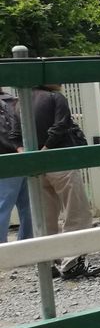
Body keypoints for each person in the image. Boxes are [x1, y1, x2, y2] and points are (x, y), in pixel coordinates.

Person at [33, 84, 100, 278]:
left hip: (34, 167)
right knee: (77, 212)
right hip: (60, 161)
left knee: (45, 216)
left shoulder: (19, 102)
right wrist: (45, 150)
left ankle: (47, 263)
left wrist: (30, 157)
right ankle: (72, 261)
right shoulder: (56, 98)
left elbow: (14, 134)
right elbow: (61, 126)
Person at [0, 89, 32, 244]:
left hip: (6, 157)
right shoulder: (15, 101)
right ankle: (27, 244)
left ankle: (2, 251)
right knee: (28, 205)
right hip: (21, 155)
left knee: (3, 206)